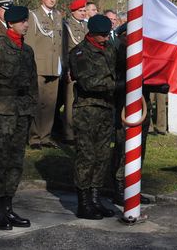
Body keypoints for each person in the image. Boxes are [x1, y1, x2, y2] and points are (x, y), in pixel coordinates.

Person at [0, 5, 37, 230]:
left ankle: (8, 208)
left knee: (15, 162)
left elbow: (32, 83)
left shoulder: (27, 50)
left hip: (21, 112)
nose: (26, 25)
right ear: (11, 23)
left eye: (27, 21)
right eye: (22, 21)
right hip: (2, 112)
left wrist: (31, 110)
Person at [69, 14, 121, 220]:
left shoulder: (109, 49)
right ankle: (84, 203)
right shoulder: (80, 53)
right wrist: (116, 86)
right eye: (102, 35)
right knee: (86, 156)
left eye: (107, 35)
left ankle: (96, 199)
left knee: (102, 156)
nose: (106, 38)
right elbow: (88, 83)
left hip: (107, 109)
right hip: (87, 110)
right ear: (92, 33)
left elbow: (118, 69)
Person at [25, 0, 63, 150]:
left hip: (54, 66)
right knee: (37, 102)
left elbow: (60, 43)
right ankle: (34, 137)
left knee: (50, 104)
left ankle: (45, 136)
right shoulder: (33, 15)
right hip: (39, 65)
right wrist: (30, 66)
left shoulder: (58, 16)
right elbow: (30, 42)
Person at [61, 0, 88, 144]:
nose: (83, 13)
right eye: (80, 11)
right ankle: (69, 133)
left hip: (85, 69)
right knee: (70, 102)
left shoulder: (86, 26)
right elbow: (64, 50)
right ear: (73, 12)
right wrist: (66, 70)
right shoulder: (67, 26)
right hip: (72, 68)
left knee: (82, 102)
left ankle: (80, 132)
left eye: (84, 11)